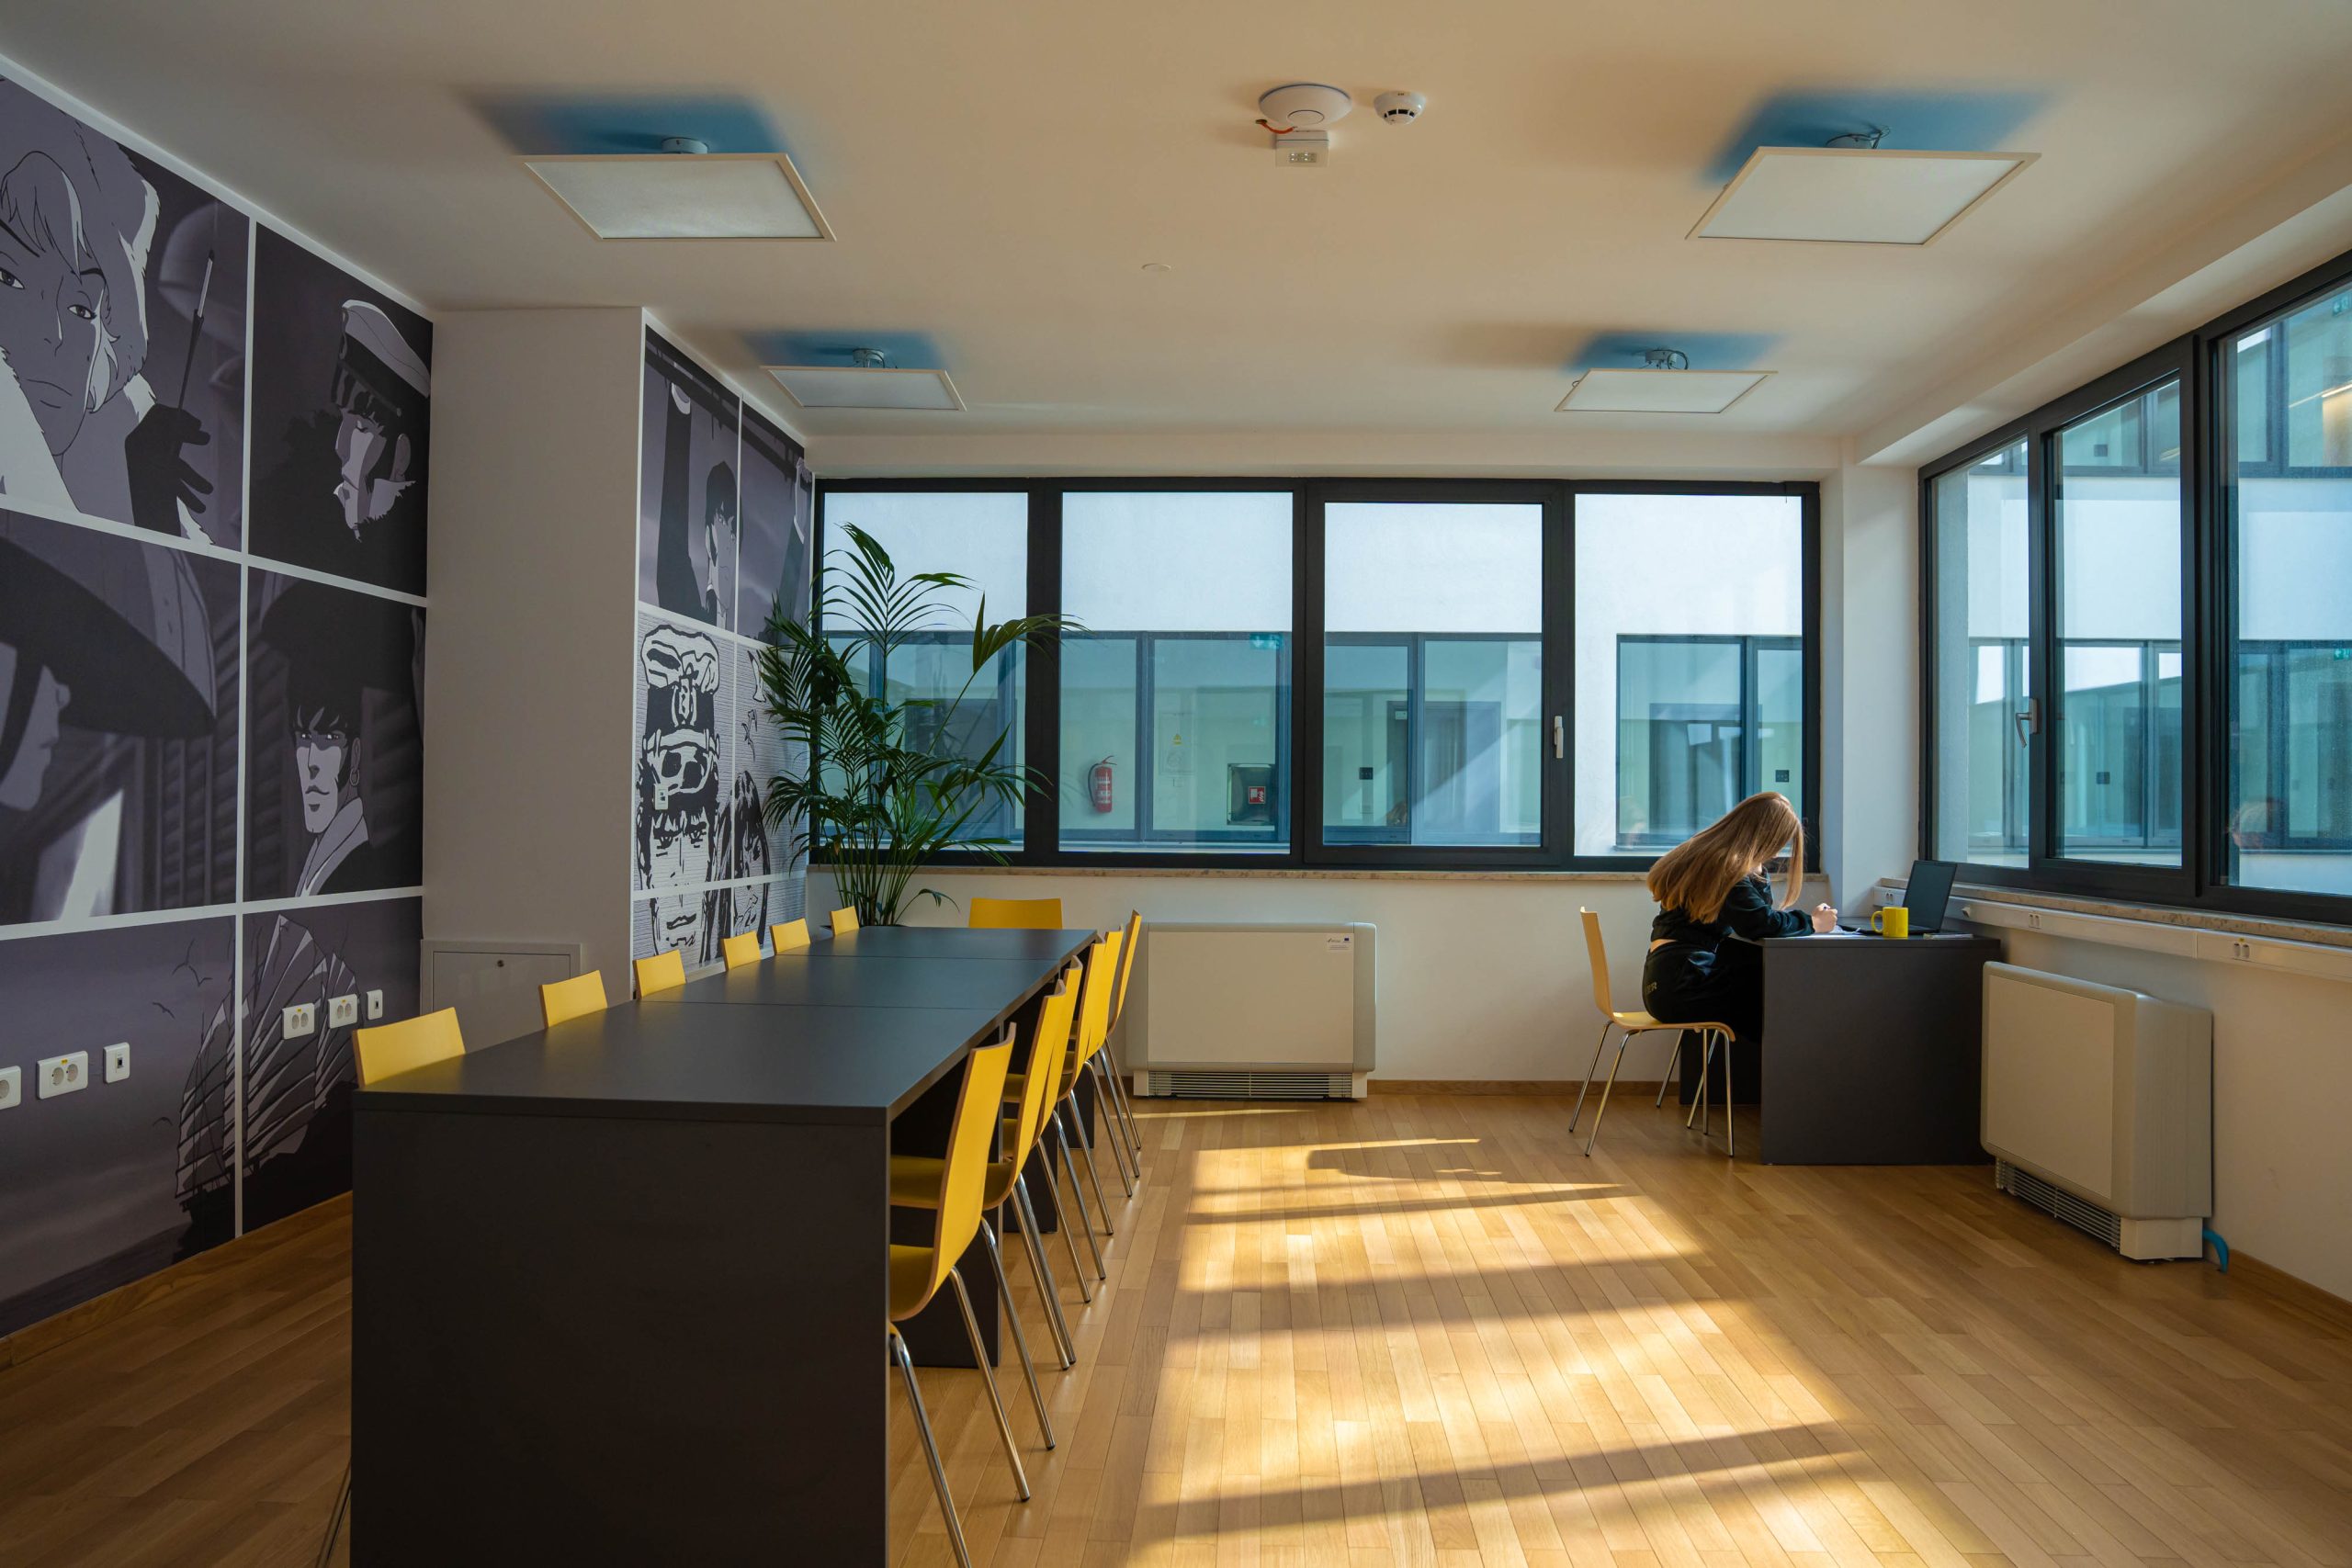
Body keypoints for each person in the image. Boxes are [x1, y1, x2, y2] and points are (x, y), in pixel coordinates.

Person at [1641, 792, 1837, 1044]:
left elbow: (1756, 914)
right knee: (1782, 997)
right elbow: (1760, 924)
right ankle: (1791, 1068)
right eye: (1778, 843)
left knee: (1765, 983)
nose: (1777, 853)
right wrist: (1813, 923)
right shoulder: (1726, 866)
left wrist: (1756, 869)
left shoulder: (1709, 856)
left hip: (1665, 982)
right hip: (1685, 984)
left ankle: (1765, 1069)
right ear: (1765, 838)